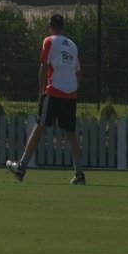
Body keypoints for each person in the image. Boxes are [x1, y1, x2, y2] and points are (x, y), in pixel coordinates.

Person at [7, 13, 85, 185]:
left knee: (39, 127)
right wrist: (72, 87)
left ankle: (21, 167)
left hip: (53, 92)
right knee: (70, 133)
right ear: (63, 27)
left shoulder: (49, 41)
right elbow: (79, 74)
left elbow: (43, 66)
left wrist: (41, 91)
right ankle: (79, 173)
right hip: (70, 95)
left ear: (50, 27)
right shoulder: (72, 46)